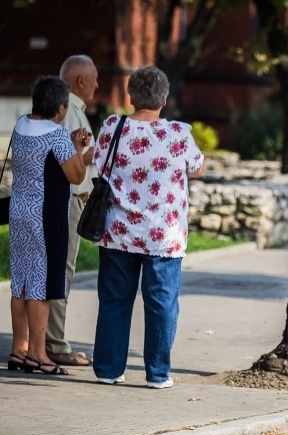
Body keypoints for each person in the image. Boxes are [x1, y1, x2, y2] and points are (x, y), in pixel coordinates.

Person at [91, 66, 205, 389]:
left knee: (114, 300)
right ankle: (157, 373)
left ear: (130, 96)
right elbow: (197, 167)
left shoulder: (113, 127)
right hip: (164, 238)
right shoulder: (179, 133)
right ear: (164, 100)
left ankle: (109, 369)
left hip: (118, 232)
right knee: (161, 304)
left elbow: (98, 162)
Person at [7, 76, 89, 375]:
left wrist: (71, 146)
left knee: (21, 283)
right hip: (46, 216)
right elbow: (76, 175)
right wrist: (77, 148)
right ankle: (39, 354)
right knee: (40, 286)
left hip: (19, 211)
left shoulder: (20, 124)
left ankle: (19, 348)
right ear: (61, 108)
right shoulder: (56, 135)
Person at [44, 55, 99, 368]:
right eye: (94, 79)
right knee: (61, 271)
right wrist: (91, 155)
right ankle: (54, 342)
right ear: (80, 81)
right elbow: (63, 161)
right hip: (69, 199)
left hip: (69, 199)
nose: (97, 85)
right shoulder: (68, 112)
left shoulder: (69, 109)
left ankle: (45, 340)